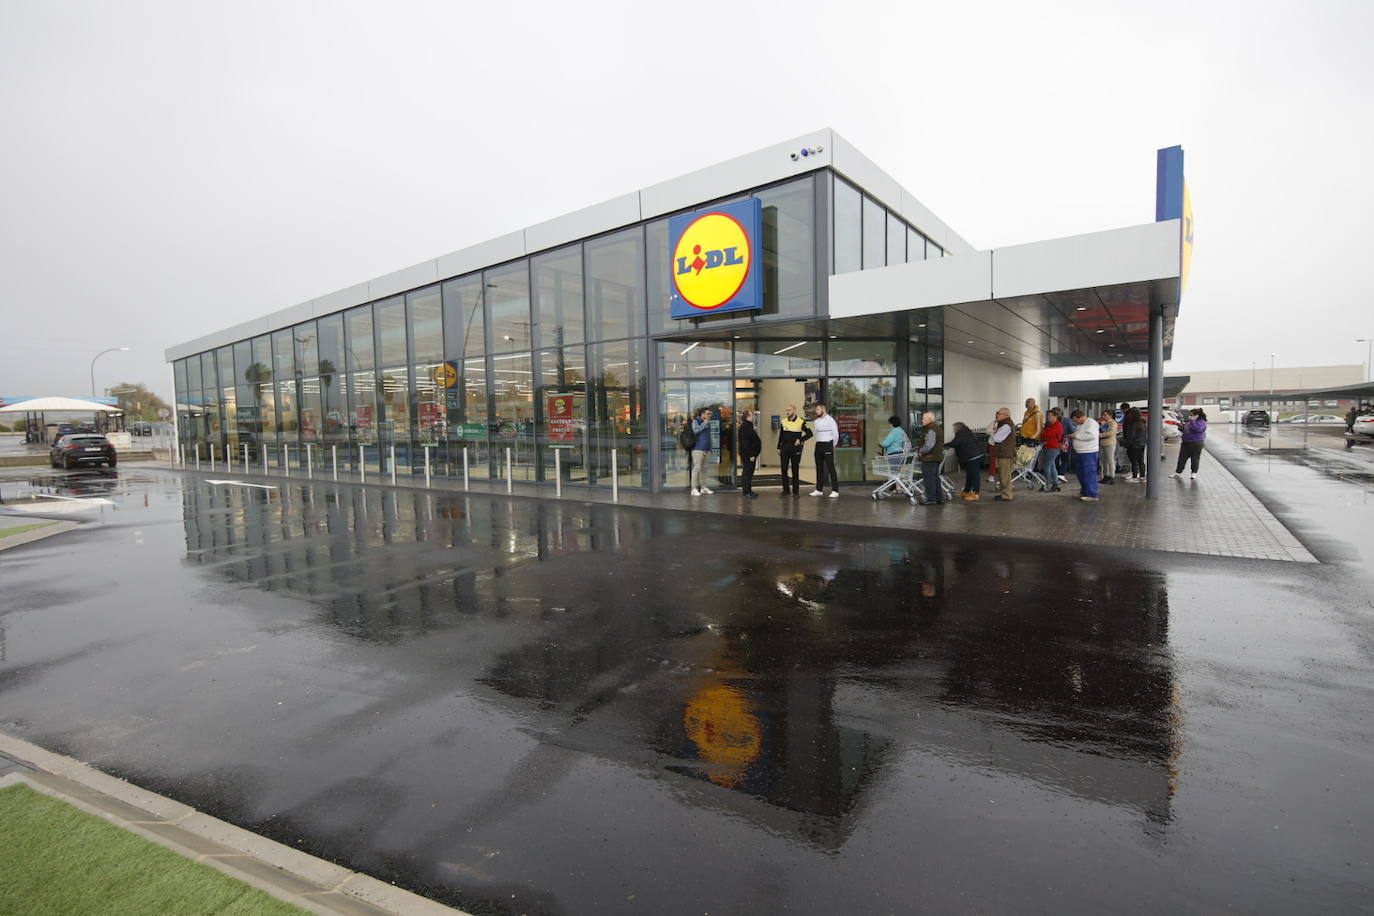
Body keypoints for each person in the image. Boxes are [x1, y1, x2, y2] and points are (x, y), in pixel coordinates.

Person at [776, 404, 811, 497]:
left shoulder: (801, 421)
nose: (787, 412)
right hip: (784, 449)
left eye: (789, 410)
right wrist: (778, 447)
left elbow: (809, 434)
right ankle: (786, 491)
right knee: (783, 470)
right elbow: (781, 436)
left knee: (795, 470)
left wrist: (800, 440)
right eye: (787, 410)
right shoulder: (783, 421)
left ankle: (796, 492)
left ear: (794, 411)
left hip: (795, 449)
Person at [810, 403, 840, 498]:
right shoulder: (816, 421)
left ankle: (835, 490)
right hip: (818, 445)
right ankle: (819, 489)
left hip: (828, 445)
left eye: (818, 409)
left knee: (831, 467)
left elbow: (835, 435)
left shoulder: (831, 420)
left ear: (823, 409)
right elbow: (816, 433)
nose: (816, 411)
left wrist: (831, 445)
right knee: (819, 468)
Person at [949, 421, 985, 501]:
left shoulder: (961, 434)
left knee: (974, 475)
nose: (953, 430)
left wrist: (945, 445)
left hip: (974, 457)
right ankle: (966, 491)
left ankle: (975, 494)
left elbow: (956, 443)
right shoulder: (967, 432)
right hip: (974, 456)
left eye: (954, 428)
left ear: (958, 428)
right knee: (970, 475)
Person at [915, 411, 946, 505]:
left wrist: (921, 451)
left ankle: (931, 499)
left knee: (929, 479)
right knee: (935, 478)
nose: (922, 420)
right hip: (936, 457)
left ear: (930, 419)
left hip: (930, 458)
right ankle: (939, 498)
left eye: (923, 418)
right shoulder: (936, 428)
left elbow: (929, 446)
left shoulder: (931, 430)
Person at [1069, 409, 1100, 501]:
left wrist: (1076, 436)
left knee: (1089, 473)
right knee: (1081, 473)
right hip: (1080, 452)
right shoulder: (1081, 424)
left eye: (1076, 420)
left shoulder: (1091, 423)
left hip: (1089, 452)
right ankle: (1084, 492)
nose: (1075, 422)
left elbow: (1091, 436)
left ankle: (1092, 494)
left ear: (1081, 417)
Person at [1172, 408, 1208, 479]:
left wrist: (1193, 420)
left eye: (1191, 415)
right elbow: (1186, 429)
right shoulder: (1190, 421)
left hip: (1196, 443)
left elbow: (1197, 429)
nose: (1190, 416)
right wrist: (1180, 426)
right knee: (1182, 458)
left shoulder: (1202, 422)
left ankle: (1194, 473)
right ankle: (1178, 472)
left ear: (1197, 415)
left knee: (1195, 458)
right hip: (1186, 442)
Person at [990, 407, 1016, 500]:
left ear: (1006, 415)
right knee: (1002, 475)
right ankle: (1004, 493)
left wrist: (993, 432)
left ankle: (1007, 495)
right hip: (1003, 453)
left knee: (1005, 476)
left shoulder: (1006, 425)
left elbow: (997, 438)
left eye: (999, 413)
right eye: (997, 413)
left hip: (1005, 454)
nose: (997, 415)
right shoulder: (1003, 424)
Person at [1037, 407, 1064, 492]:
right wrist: (1044, 433)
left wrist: (1044, 433)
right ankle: (1055, 483)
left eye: (1050, 416)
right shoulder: (1050, 425)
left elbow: (1048, 434)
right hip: (1048, 447)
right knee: (1052, 466)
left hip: (1053, 448)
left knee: (1047, 466)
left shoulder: (1057, 425)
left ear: (1055, 416)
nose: (1048, 417)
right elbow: (1043, 435)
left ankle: (1046, 484)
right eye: (1048, 416)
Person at [689, 407, 714, 495]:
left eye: (710, 414)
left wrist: (710, 448)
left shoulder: (707, 423)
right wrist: (704, 423)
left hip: (706, 449)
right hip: (697, 449)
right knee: (696, 469)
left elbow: (707, 436)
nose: (709, 415)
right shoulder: (696, 421)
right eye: (708, 414)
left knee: (704, 469)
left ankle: (703, 487)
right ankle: (694, 489)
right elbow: (696, 431)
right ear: (702, 414)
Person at [737, 409, 761, 497]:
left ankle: (749, 490)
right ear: (747, 417)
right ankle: (746, 492)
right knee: (747, 473)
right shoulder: (745, 427)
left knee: (750, 473)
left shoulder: (749, 426)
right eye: (751, 415)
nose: (753, 417)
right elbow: (745, 443)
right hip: (748, 455)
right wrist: (751, 454)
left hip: (750, 454)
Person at [1123, 407, 1147, 481]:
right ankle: (1142, 476)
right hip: (1141, 444)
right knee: (1141, 461)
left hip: (1134, 445)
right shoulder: (1143, 422)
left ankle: (1135, 477)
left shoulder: (1133, 423)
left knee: (1134, 462)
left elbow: (1131, 436)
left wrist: (1127, 444)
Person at [1098, 409, 1119, 485]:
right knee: (1103, 461)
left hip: (1110, 443)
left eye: (1105, 415)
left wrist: (1100, 435)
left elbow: (1111, 432)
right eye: (1103, 415)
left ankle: (1112, 476)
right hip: (1102, 443)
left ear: (1110, 415)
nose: (1103, 416)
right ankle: (1105, 476)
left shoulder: (1113, 423)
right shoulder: (1103, 423)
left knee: (1110, 460)